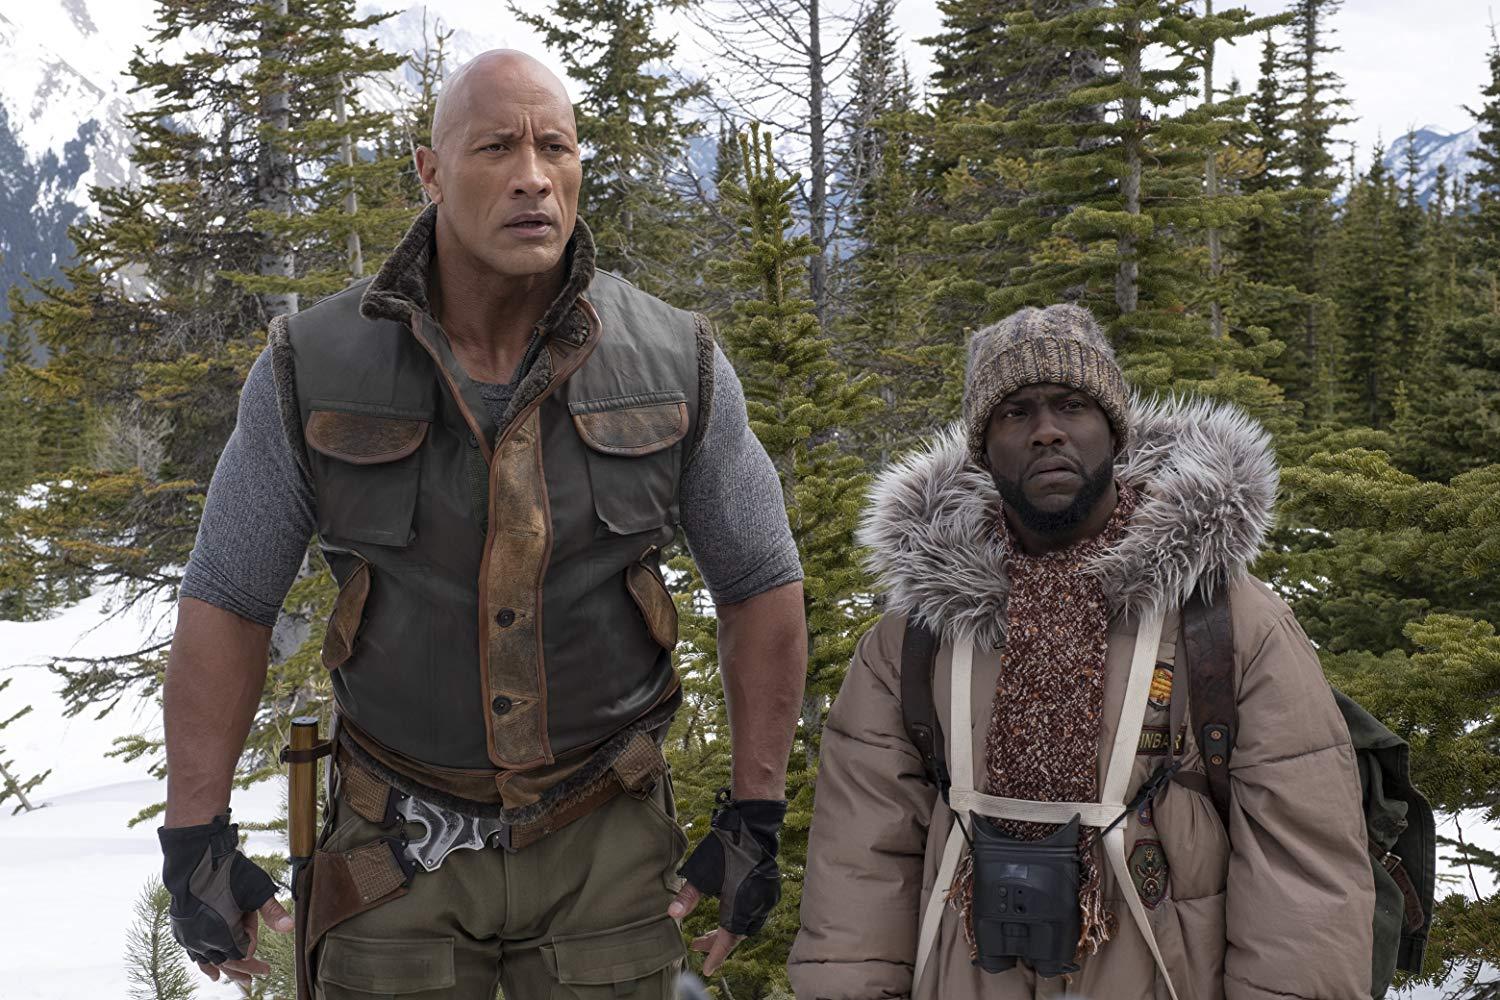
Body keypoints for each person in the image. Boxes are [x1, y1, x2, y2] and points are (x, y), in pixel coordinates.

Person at [156, 50, 807, 999]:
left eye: (555, 147)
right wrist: (195, 836)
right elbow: (228, 596)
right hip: (393, 857)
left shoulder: (676, 360)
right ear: (430, 171)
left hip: (610, 849)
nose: (533, 176)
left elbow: (759, 584)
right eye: (497, 147)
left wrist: (755, 814)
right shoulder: (314, 366)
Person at [788, 304, 1376, 999]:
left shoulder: (1226, 620)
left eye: (1072, 405)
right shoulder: (917, 635)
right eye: (1015, 413)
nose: (1047, 431)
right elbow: (861, 855)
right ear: (982, 450)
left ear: (1114, 430)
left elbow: (1300, 865)